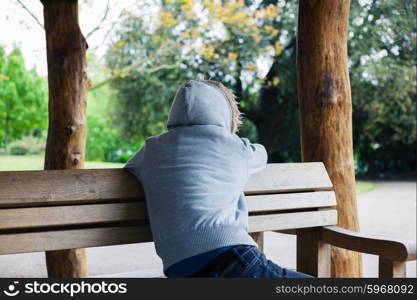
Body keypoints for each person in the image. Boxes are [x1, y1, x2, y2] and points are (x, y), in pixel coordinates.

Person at [125, 80, 312, 278]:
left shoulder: (152, 149)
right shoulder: (234, 146)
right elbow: (261, 155)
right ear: (223, 112)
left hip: (178, 268)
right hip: (230, 256)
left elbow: (131, 168)